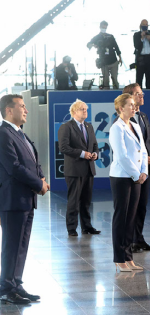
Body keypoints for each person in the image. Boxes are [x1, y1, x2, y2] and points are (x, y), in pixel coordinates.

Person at [0, 95, 48, 305]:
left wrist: (42, 176)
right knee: (12, 245)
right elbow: (14, 167)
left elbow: (32, 161)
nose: (26, 110)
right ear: (9, 110)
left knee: (21, 245)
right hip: (13, 199)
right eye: (21, 106)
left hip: (25, 199)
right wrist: (39, 184)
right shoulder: (3, 134)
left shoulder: (19, 134)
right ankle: (6, 288)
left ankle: (16, 284)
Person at [109, 94, 148, 272]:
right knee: (121, 217)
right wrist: (136, 174)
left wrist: (144, 171)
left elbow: (144, 151)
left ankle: (128, 256)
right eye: (130, 105)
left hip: (136, 176)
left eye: (134, 105)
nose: (134, 107)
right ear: (120, 109)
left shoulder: (135, 125)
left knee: (131, 217)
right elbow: (122, 156)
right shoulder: (116, 128)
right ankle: (119, 258)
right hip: (122, 177)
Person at [123, 84, 150, 253]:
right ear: (129, 97)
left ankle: (138, 239)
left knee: (142, 205)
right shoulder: (123, 120)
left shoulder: (143, 116)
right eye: (138, 93)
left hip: (146, 169)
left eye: (142, 93)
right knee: (132, 207)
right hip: (133, 171)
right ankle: (128, 242)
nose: (142, 95)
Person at [57, 99, 100, 236]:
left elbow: (94, 145)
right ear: (74, 111)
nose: (85, 111)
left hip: (88, 169)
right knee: (74, 201)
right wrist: (83, 154)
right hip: (74, 170)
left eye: (86, 109)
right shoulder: (66, 127)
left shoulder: (89, 126)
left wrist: (95, 154)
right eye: (82, 109)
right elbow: (64, 148)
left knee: (86, 200)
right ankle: (71, 228)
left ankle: (86, 226)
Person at [87, 21, 122, 90]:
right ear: (100, 27)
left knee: (114, 78)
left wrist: (120, 57)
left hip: (113, 60)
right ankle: (106, 93)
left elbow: (116, 47)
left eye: (105, 27)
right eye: (102, 27)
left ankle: (116, 92)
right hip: (104, 61)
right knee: (105, 80)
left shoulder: (110, 36)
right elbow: (88, 44)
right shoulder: (97, 37)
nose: (104, 28)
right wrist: (94, 45)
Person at [133, 19, 150, 89]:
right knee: (139, 79)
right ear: (141, 25)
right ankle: (138, 96)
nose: (145, 26)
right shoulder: (136, 34)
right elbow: (136, 46)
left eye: (146, 24)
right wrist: (142, 38)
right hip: (140, 59)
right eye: (143, 24)